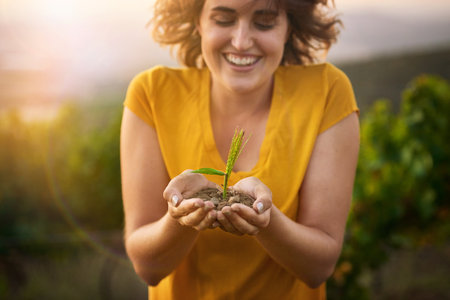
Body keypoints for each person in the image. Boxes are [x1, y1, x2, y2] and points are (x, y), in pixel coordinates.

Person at [120, 0, 359, 299]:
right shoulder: (151, 94)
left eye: (264, 23)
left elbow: (318, 268)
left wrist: (267, 221)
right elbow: (148, 267)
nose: (242, 41)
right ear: (198, 22)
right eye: (223, 20)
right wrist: (180, 217)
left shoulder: (327, 92)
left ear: (288, 28)